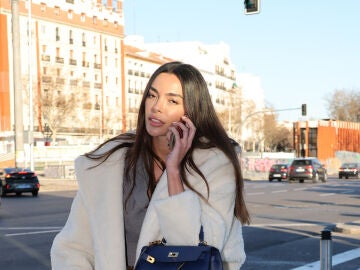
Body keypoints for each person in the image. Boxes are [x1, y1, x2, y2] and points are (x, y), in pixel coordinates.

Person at [50, 61, 250, 270]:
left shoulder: (215, 165)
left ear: (192, 110)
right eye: (152, 95)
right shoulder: (111, 164)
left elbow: (198, 248)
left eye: (172, 101)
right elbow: (74, 246)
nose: (156, 107)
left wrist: (173, 172)